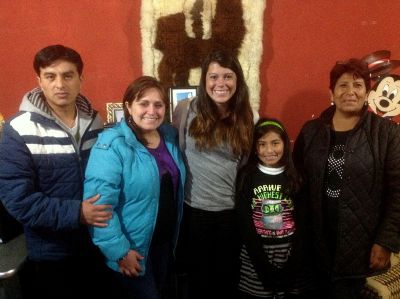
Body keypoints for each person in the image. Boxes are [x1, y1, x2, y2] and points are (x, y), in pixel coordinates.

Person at [0, 45, 113, 299]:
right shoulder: (18, 129)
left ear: (80, 79)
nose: (60, 84)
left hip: (97, 243)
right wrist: (77, 213)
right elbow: (18, 201)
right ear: (39, 80)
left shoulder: (94, 121)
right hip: (51, 252)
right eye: (51, 76)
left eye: (68, 75)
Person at [293, 58, 400, 298]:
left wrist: (385, 241)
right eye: (342, 86)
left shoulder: (387, 134)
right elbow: (297, 182)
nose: (350, 92)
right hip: (315, 246)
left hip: (361, 249)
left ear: (367, 92)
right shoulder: (311, 131)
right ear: (331, 92)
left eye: (357, 85)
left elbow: (398, 192)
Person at [83, 75, 186, 299]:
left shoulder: (169, 136)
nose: (152, 110)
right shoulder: (111, 145)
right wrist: (120, 252)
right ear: (128, 106)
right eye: (143, 103)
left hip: (164, 244)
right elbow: (99, 207)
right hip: (132, 250)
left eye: (158, 104)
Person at [172, 50, 255, 299]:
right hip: (194, 212)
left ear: (237, 80)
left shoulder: (247, 116)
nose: (221, 83)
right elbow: (175, 149)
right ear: (204, 80)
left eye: (228, 76)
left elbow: (245, 164)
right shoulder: (185, 109)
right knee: (198, 282)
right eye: (214, 76)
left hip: (230, 214)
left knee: (227, 281)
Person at [236, 118, 308, 299]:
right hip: (258, 253)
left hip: (289, 252)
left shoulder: (295, 175)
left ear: (285, 143)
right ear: (254, 147)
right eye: (262, 144)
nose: (269, 150)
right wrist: (261, 265)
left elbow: (304, 221)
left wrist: (294, 263)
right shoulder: (247, 176)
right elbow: (245, 222)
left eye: (275, 143)